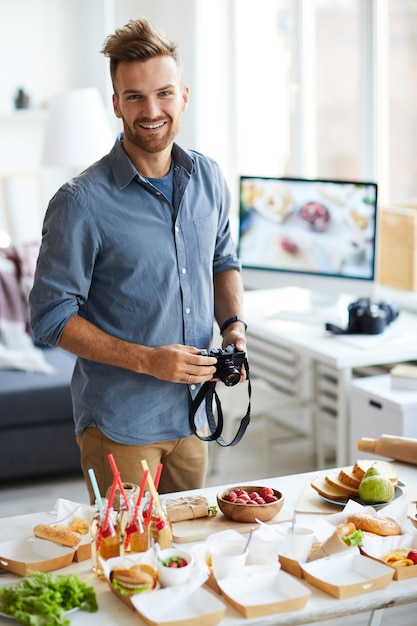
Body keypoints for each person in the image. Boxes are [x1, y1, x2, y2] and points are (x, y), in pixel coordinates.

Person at [29, 17, 246, 503]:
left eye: (164, 93)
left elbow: (223, 259)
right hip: (120, 426)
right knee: (126, 562)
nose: (152, 110)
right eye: (135, 97)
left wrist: (233, 326)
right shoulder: (80, 201)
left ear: (184, 95)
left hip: (193, 417)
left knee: (183, 557)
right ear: (116, 104)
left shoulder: (209, 178)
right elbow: (49, 318)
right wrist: (149, 360)